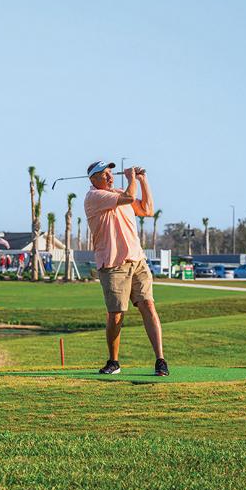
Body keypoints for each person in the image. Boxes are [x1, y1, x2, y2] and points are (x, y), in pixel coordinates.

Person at [84, 161, 169, 376]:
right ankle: (114, 362)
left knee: (148, 305)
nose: (110, 177)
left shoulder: (119, 193)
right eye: (104, 174)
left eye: (110, 173)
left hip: (137, 260)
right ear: (93, 179)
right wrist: (132, 178)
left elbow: (147, 210)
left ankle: (160, 360)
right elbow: (130, 198)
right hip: (113, 264)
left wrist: (143, 180)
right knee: (116, 315)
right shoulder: (94, 197)